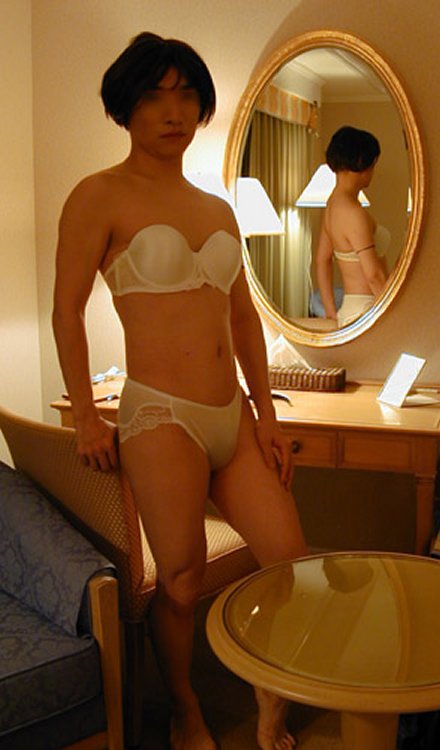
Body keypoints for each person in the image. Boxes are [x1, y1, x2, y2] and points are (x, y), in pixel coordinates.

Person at [52, 32, 308, 750]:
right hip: (160, 415)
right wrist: (85, 418)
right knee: (183, 578)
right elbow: (66, 312)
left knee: (289, 557)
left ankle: (268, 692)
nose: (174, 112)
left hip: (232, 415)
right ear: (126, 106)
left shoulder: (217, 208)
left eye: (187, 95)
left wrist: (265, 415)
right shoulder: (98, 195)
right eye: (155, 96)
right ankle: (185, 706)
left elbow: (243, 317)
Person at [315, 126, 388, 328]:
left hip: (351, 310)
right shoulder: (353, 212)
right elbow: (373, 274)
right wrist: (392, 315)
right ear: (361, 162)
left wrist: (331, 312)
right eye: (373, 165)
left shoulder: (333, 205)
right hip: (368, 309)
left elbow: (322, 260)